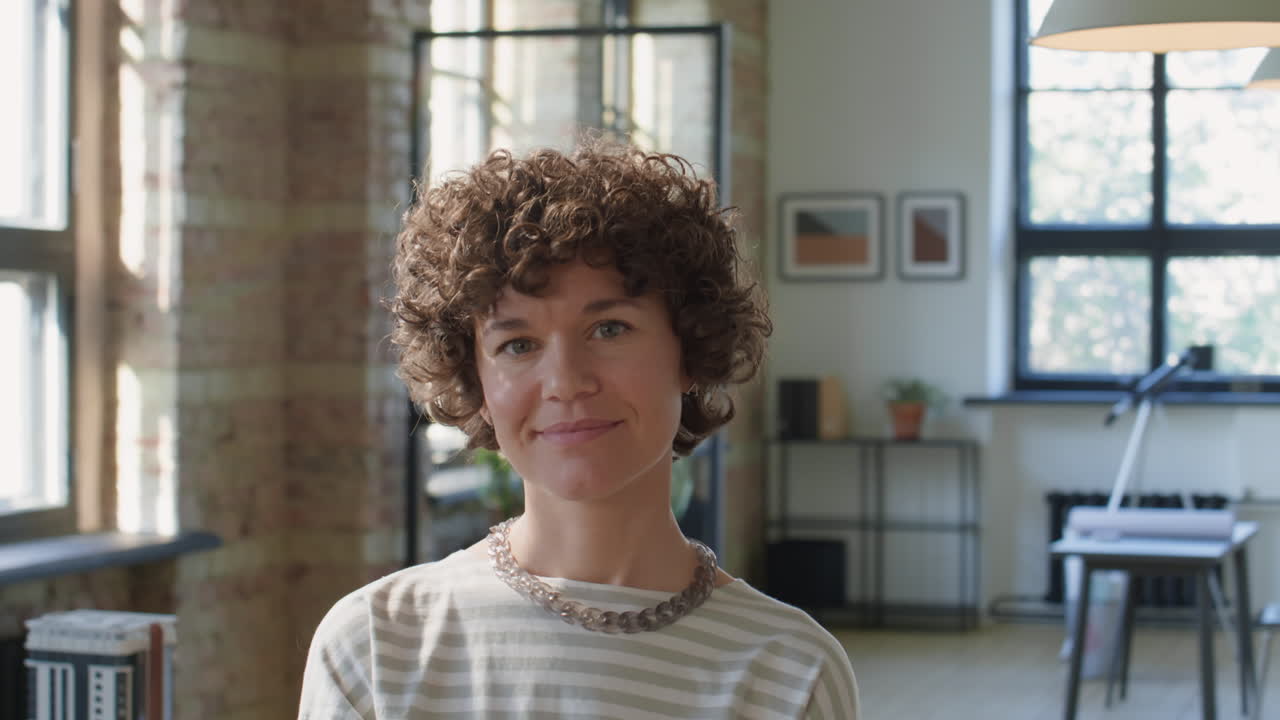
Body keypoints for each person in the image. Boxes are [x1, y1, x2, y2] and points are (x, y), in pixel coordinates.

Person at [298, 139, 860, 719]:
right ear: (478, 385)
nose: (566, 381)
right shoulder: (375, 647)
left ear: (690, 350)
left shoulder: (793, 671)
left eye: (610, 329)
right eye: (517, 344)